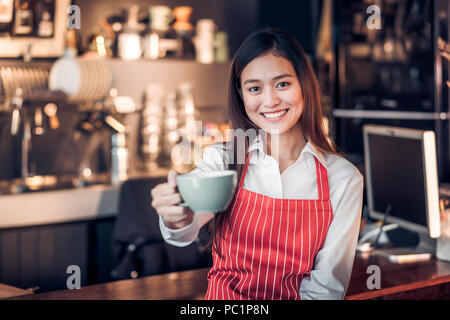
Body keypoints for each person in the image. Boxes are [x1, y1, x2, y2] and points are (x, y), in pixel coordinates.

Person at [150, 28, 364, 300]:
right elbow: (185, 230)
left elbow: (326, 289)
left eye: (283, 84)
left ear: (304, 85)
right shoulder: (224, 160)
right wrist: (175, 215)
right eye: (254, 88)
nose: (270, 100)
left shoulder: (344, 179)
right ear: (241, 96)